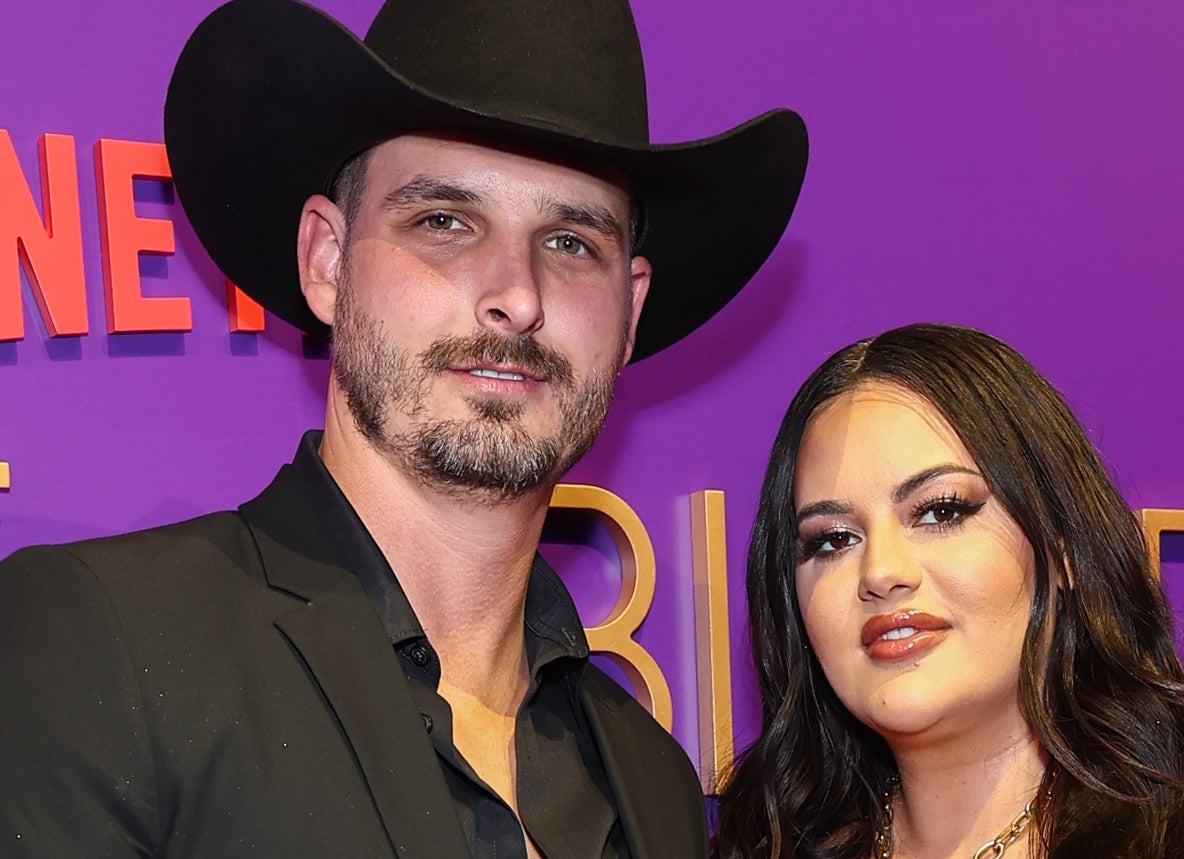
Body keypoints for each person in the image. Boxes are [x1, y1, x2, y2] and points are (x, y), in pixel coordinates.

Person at [0, 1, 807, 856]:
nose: (517, 296)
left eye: (570, 242)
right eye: (444, 222)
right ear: (326, 259)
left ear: (629, 310)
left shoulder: (653, 780)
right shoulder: (106, 644)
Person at [712, 323, 1184, 859]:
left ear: (1060, 549)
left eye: (941, 511)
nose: (881, 571)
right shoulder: (767, 847)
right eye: (834, 540)